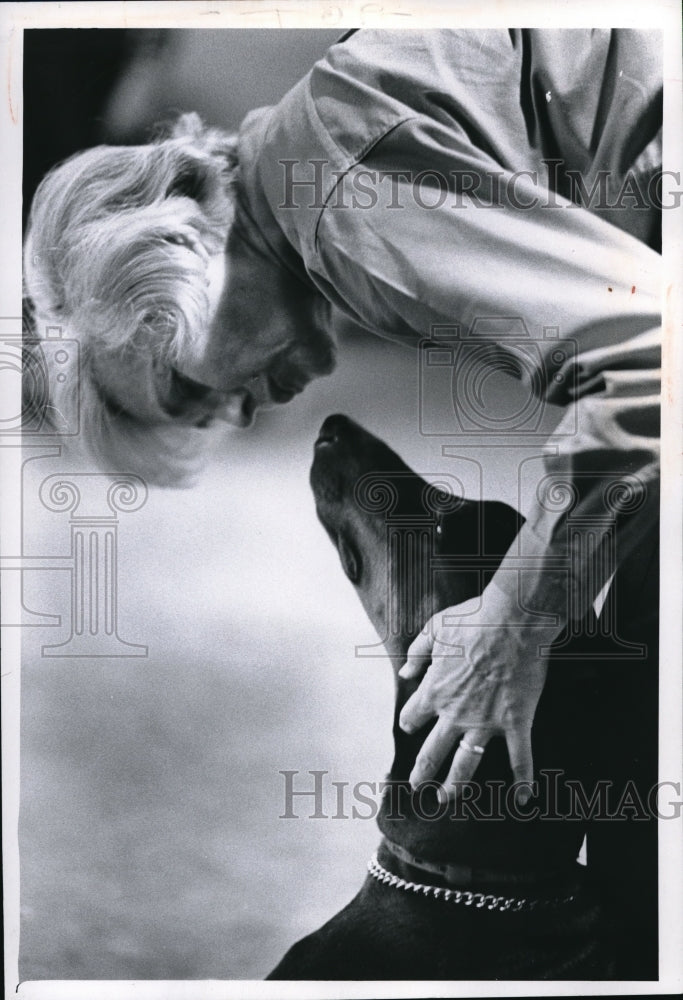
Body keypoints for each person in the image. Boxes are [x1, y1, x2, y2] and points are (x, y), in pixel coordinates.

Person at [24, 29, 662, 976]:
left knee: (649, 832)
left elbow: (649, 364)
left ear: (183, 255)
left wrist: (510, 627)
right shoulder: (314, 145)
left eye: (195, 392)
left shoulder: (331, 201)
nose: (239, 413)